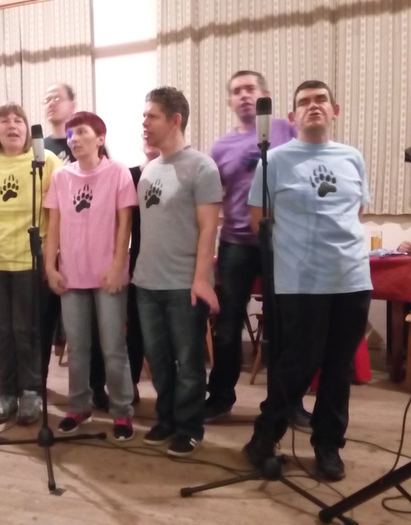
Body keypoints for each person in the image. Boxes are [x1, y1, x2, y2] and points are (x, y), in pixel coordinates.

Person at [244, 80, 372, 481]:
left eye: (320, 100)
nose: (313, 105)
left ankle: (328, 444)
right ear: (292, 116)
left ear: (335, 109)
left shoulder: (352, 157)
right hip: (300, 283)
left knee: (338, 368)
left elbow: (355, 213)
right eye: (304, 102)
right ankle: (264, 438)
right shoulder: (274, 161)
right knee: (297, 365)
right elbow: (259, 221)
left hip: (351, 278)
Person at [205, 70, 311, 430]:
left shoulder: (287, 130)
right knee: (227, 326)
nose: (244, 95)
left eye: (250, 88)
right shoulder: (220, 148)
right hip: (236, 244)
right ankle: (220, 397)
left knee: (282, 327)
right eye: (237, 91)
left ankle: (286, 403)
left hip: (282, 243)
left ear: (264, 94)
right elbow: (211, 199)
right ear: (229, 101)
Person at [134, 87, 222, 457]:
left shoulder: (202, 167)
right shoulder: (148, 170)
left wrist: (201, 279)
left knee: (188, 363)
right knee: (158, 360)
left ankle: (189, 426)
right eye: (143, 116)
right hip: (146, 282)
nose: (144, 123)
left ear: (175, 120)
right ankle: (167, 418)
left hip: (183, 284)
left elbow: (208, 227)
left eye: (151, 116)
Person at [0, 102, 62, 426]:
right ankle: (5, 390)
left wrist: (53, 260)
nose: (12, 125)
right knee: (1, 330)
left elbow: (59, 216)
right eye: (4, 121)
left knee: (27, 329)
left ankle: (31, 390)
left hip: (31, 261)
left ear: (27, 129)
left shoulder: (46, 161)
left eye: (18, 120)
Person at [44, 111, 136, 440]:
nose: (74, 139)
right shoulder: (61, 177)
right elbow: (53, 226)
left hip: (108, 273)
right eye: (70, 134)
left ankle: (122, 411)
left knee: (113, 347)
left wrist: (117, 265)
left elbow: (125, 225)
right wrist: (50, 266)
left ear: (100, 138)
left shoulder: (118, 172)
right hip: (72, 274)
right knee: (77, 348)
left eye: (82, 132)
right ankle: (78, 406)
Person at [42, 82, 110, 410]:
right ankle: (37, 385)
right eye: (47, 99)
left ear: (73, 103)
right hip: (52, 248)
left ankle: (97, 387)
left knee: (92, 330)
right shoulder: (39, 149)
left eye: (58, 98)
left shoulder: (90, 139)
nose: (52, 103)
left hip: (89, 258)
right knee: (46, 322)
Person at [126, 141, 160, 403]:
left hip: (171, 264)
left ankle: (169, 392)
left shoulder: (179, 170)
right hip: (138, 261)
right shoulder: (129, 176)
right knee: (135, 327)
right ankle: (130, 383)